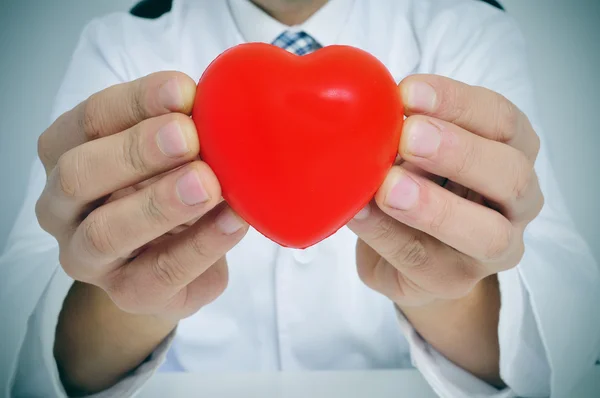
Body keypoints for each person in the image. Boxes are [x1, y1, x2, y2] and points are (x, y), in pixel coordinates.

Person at [1, 0, 599, 396]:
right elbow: (22, 357)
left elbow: (570, 351)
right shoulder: (120, 41)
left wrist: (441, 287)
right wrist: (140, 289)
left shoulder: (466, 26)